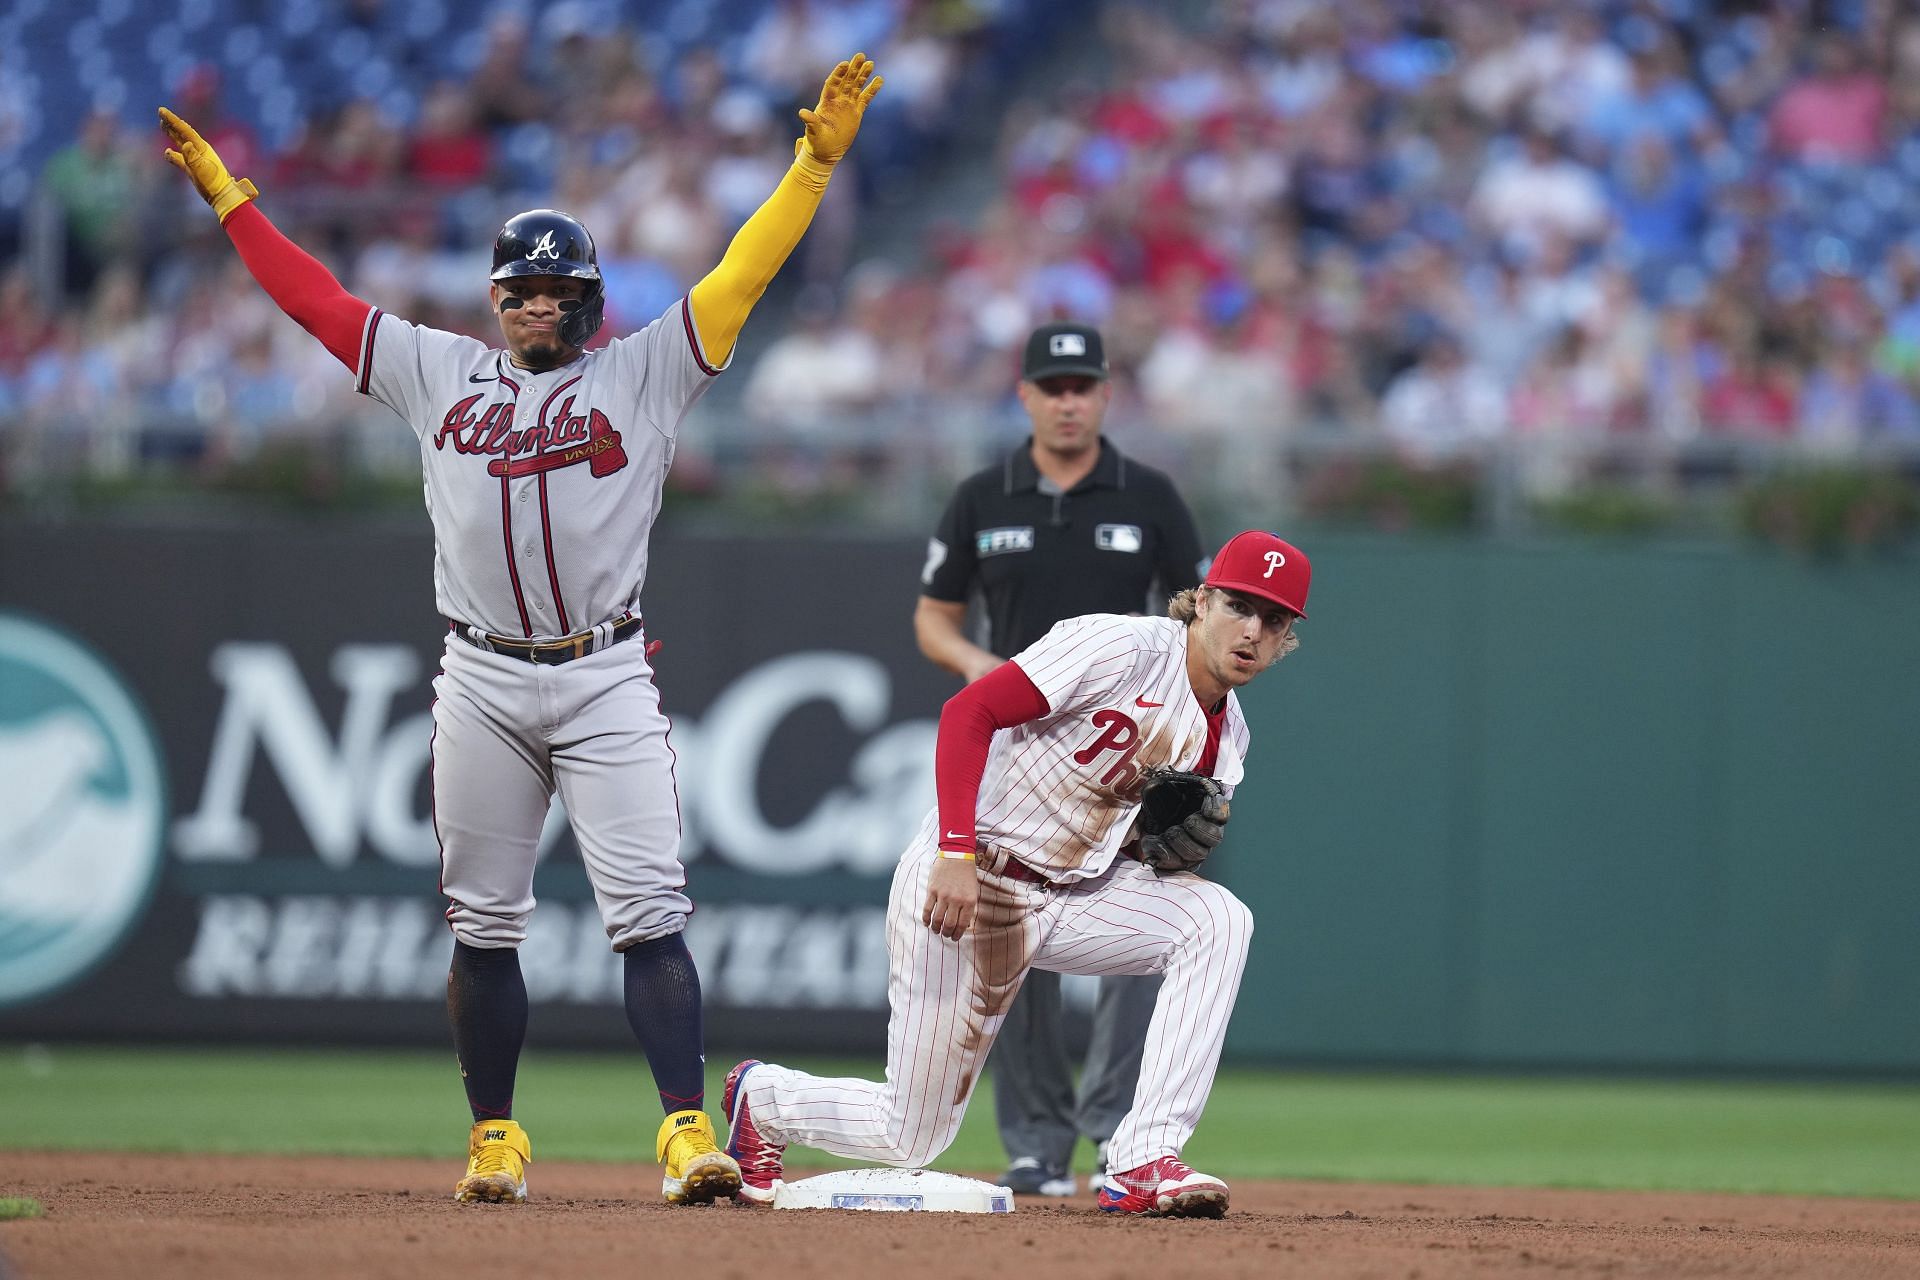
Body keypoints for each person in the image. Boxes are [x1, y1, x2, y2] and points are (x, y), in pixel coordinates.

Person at [156, 53, 884, 1206]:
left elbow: (743, 273)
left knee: (650, 912)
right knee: (484, 924)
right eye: (519, 291)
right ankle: (495, 1135)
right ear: (496, 300)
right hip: (481, 677)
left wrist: (808, 168)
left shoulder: (646, 373)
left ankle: (686, 1130)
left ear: (590, 301)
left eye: (556, 292)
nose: (536, 305)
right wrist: (237, 203)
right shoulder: (439, 372)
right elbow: (317, 302)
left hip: (602, 672)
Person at [726, 529, 1313, 1219]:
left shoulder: (1229, 739)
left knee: (1218, 921)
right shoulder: (1119, 647)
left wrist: (1154, 850)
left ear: (1285, 640)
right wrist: (955, 850)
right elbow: (969, 710)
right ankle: (763, 1101)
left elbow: (1143, 849)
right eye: (1239, 606)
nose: (1252, 630)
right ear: (1204, 600)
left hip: (1073, 897)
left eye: (1273, 620)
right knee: (910, 1135)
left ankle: (1141, 1159)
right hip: (975, 880)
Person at [913, 320, 1205, 1196]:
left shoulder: (1148, 495)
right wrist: (979, 671)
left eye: (1082, 386)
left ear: (1106, 395)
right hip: (1021, 746)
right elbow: (934, 614)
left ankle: (1118, 1132)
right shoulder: (983, 495)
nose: (1068, 401)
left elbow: (1198, 611)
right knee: (1014, 937)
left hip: (1128, 759)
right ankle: (1038, 1141)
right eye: (1052, 386)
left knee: (1144, 935)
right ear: (1027, 396)